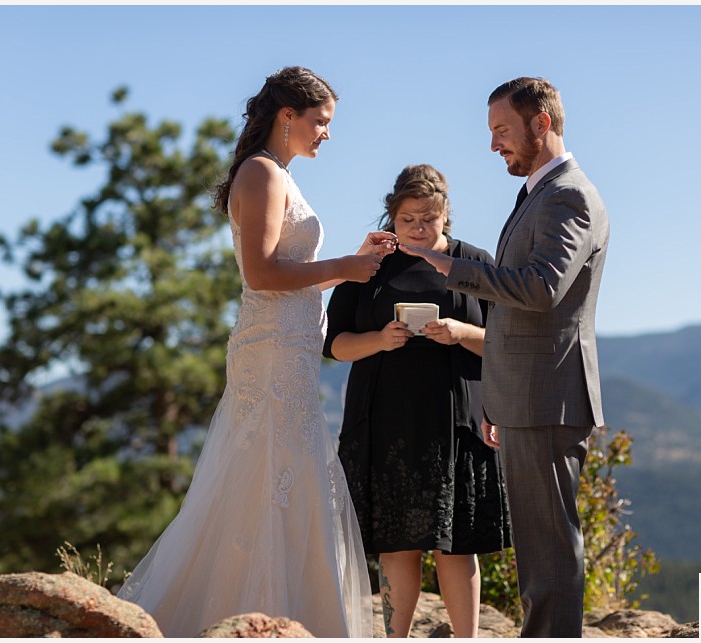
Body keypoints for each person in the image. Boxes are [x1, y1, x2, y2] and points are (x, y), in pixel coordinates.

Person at [117, 66, 394, 637]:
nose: (326, 134)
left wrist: (351, 263)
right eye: (320, 122)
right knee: (262, 477)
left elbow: (287, 278)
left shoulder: (278, 175)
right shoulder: (263, 174)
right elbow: (264, 273)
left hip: (287, 353)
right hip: (269, 358)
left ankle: (290, 617)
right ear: (286, 117)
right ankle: (243, 618)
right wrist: (345, 267)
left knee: (286, 477)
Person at [401, 77, 609, 637]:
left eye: (502, 131)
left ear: (541, 124)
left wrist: (448, 265)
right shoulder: (538, 193)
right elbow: (516, 312)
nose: (494, 145)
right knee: (539, 548)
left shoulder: (568, 195)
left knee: (550, 547)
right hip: (525, 394)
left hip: (549, 395)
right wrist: (497, 395)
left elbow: (541, 288)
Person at [323, 164, 512, 637]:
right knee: (396, 542)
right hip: (384, 420)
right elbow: (333, 344)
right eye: (408, 220)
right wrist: (379, 340)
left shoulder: (475, 263)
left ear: (447, 213)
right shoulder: (368, 266)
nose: (419, 229)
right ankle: (396, 638)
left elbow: (509, 343)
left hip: (458, 420)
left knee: (457, 544)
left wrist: (461, 333)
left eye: (429, 218)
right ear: (392, 216)